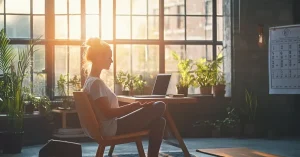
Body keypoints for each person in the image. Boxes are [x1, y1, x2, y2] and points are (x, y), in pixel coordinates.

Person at [82, 37, 166, 157]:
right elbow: (108, 113)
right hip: (111, 129)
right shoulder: (96, 83)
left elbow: (107, 112)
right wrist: (133, 106)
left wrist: (137, 108)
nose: (111, 61)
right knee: (160, 106)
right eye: (109, 57)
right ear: (99, 57)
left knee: (159, 122)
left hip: (109, 127)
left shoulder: (90, 81)